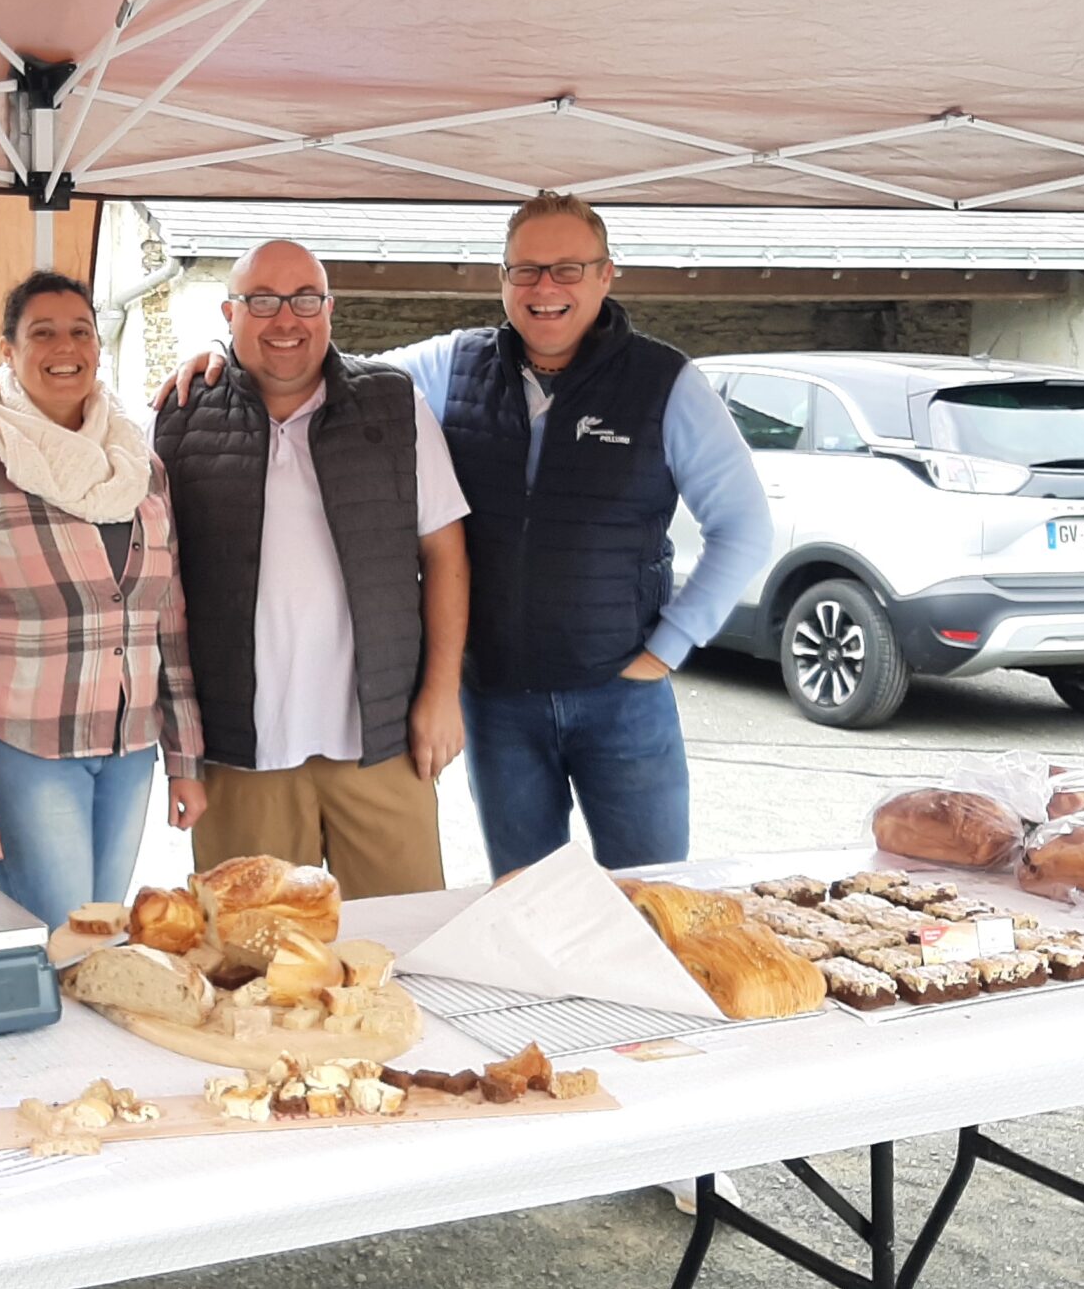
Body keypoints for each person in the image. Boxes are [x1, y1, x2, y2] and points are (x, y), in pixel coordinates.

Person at [162, 192, 771, 879]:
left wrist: (668, 648)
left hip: (620, 696)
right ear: (502, 279)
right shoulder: (453, 364)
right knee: (523, 899)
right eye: (526, 270)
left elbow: (745, 529)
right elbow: (313, 359)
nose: (545, 288)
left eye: (568, 269)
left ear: (606, 275)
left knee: (652, 894)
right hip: (499, 699)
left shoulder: (666, 383)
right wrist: (221, 351)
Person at [151, 239, 470, 896]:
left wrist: (440, 695)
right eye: (262, 301)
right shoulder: (178, 420)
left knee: (405, 945)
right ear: (229, 312)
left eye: (304, 299)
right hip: (241, 750)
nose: (286, 320)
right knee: (252, 962)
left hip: (379, 741)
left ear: (329, 308)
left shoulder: (394, 405)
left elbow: (445, 553)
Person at [0, 270, 206, 927]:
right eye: (41, 333)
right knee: (61, 942)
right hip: (29, 750)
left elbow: (168, 621)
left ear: (99, 346)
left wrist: (184, 760)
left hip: (130, 749)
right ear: (8, 349)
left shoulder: (140, 465)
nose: (64, 347)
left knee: (101, 940)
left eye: (79, 331)